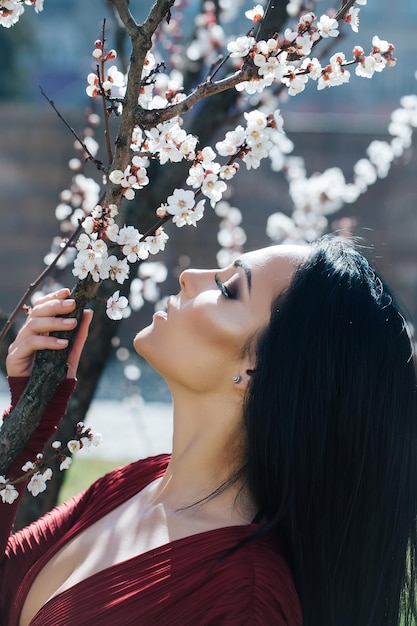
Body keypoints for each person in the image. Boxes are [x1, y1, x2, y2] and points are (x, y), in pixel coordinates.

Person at [1, 235, 416, 626]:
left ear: (257, 370)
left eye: (229, 288)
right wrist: (28, 421)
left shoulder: (243, 600)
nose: (188, 276)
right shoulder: (133, 484)